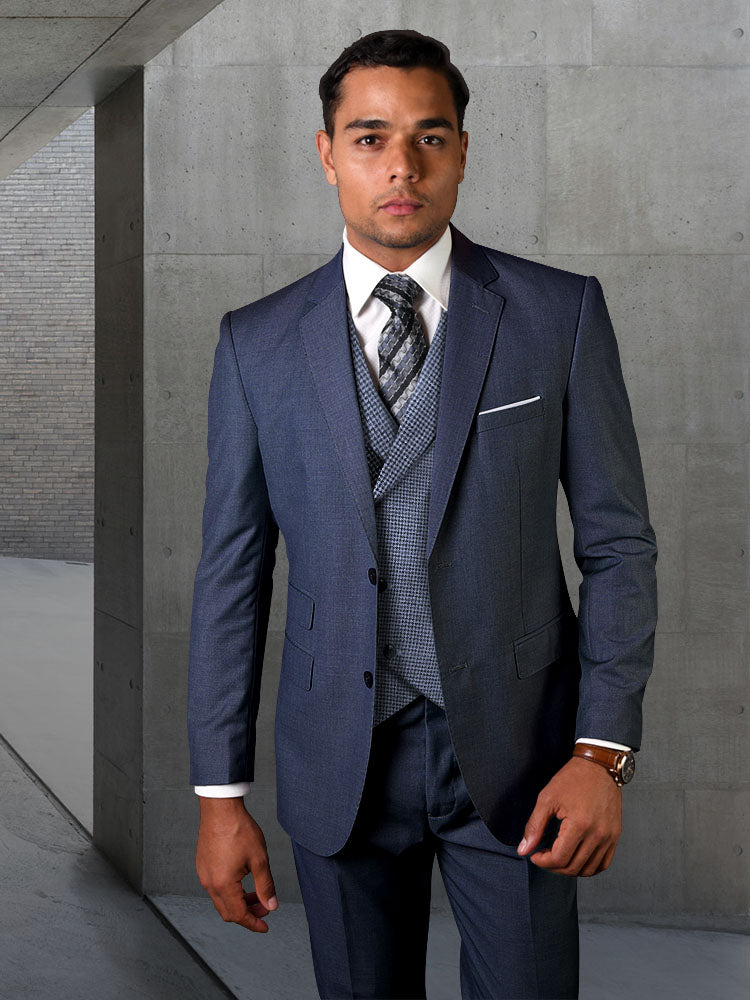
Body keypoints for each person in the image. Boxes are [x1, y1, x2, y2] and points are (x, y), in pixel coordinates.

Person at [187, 29, 658, 1000]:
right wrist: (219, 793)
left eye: (429, 136)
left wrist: (602, 752)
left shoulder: (555, 313)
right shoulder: (258, 344)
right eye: (369, 137)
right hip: (337, 762)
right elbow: (232, 579)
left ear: (464, 148)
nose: (401, 165)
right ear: (326, 154)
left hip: (525, 759)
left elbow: (617, 544)